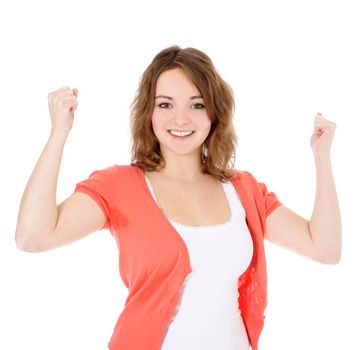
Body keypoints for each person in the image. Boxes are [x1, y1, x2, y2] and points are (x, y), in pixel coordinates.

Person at [15, 45, 342, 350]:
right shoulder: (120, 185)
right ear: (149, 112)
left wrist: (321, 156)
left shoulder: (244, 190)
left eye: (196, 104)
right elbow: (34, 237)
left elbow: (324, 249)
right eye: (165, 104)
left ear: (214, 112)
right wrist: (59, 132)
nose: (181, 119)